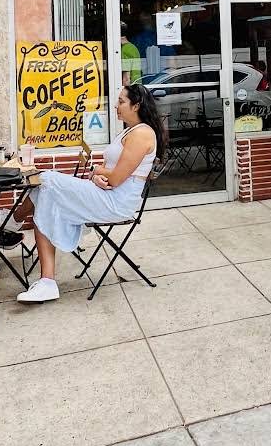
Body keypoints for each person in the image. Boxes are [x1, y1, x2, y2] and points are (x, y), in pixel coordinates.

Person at [14, 82, 163, 304]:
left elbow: (115, 178)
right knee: (44, 194)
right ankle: (46, 281)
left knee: (46, 180)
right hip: (105, 193)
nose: (116, 106)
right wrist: (96, 175)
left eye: (121, 102)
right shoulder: (129, 131)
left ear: (136, 105)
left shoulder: (142, 134)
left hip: (116, 202)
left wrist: (98, 172)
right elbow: (107, 170)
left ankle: (13, 223)